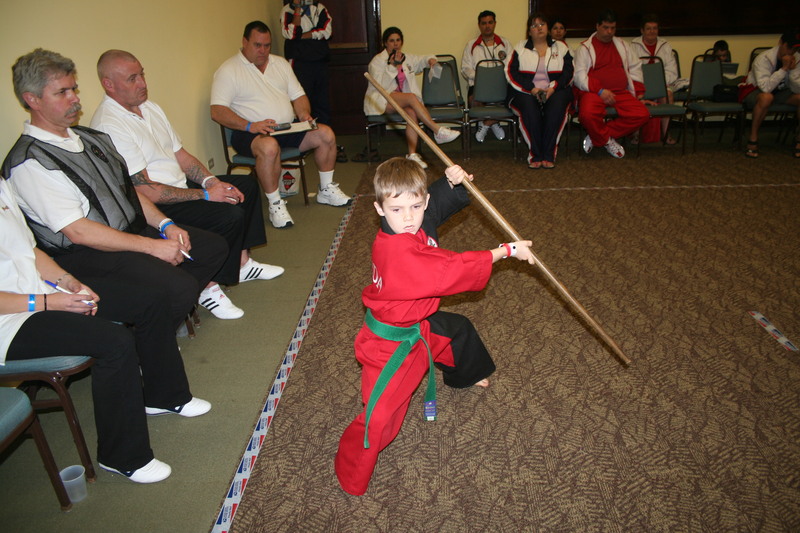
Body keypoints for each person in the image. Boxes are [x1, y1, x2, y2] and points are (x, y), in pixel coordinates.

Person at [334, 158, 535, 496]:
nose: (409, 218)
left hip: (418, 322)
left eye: (416, 206)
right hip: (390, 345)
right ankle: (352, 473)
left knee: (456, 330)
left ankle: (466, 374)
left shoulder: (406, 224)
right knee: (380, 416)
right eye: (397, 209)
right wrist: (507, 250)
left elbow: (433, 211)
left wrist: (452, 183)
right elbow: (453, 268)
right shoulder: (399, 253)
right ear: (379, 209)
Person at [0, 176, 210, 484]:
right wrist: (47, 302)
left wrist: (67, 282)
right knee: (115, 342)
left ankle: (164, 397)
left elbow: (30, 252)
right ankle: (122, 457)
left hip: (41, 292)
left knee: (150, 301)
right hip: (10, 321)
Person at [2, 49, 228, 330]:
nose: (74, 98)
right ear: (32, 100)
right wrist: (153, 247)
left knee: (212, 248)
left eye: (74, 89)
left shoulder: (91, 138)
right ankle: (144, 332)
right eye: (62, 92)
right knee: (178, 287)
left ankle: (159, 320)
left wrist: (166, 225)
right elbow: (79, 232)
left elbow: (128, 191)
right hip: (87, 253)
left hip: (129, 232)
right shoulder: (30, 162)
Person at [91, 50, 283, 320]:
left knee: (244, 187)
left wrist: (212, 182)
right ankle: (206, 286)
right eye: (132, 79)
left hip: (179, 185)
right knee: (229, 214)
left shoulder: (150, 108)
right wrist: (205, 194)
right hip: (154, 204)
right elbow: (145, 191)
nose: (142, 83)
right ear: (108, 84)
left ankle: (242, 264)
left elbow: (181, 155)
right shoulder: (109, 124)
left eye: (142, 74)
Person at [210, 20, 351, 230]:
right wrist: (250, 125)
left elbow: (299, 96)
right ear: (244, 42)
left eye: (267, 45)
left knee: (325, 134)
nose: (263, 51)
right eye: (257, 45)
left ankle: (326, 189)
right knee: (269, 147)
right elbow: (217, 111)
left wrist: (303, 114)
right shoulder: (229, 70)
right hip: (249, 133)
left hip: (285, 128)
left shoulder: (281, 64)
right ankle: (275, 203)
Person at [364, 26, 462, 169]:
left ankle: (412, 154)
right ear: (385, 43)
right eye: (391, 41)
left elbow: (424, 59)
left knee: (411, 112)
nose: (395, 44)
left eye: (398, 40)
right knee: (411, 97)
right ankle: (436, 130)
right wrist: (392, 66)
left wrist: (431, 60)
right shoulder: (377, 61)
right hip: (381, 99)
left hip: (400, 99)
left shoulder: (406, 58)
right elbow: (380, 86)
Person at [573, 9, 650, 159]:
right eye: (605, 27)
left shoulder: (623, 45)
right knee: (586, 115)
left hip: (620, 92)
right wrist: (600, 91)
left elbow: (635, 67)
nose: (609, 32)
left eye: (612, 28)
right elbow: (579, 77)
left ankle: (597, 136)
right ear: (597, 26)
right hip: (594, 92)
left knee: (642, 114)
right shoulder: (585, 48)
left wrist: (639, 92)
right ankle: (607, 141)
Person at [506, 13, 573, 169]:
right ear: (529, 31)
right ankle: (536, 155)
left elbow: (569, 73)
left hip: (555, 90)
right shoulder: (520, 48)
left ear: (547, 28)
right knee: (530, 109)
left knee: (556, 108)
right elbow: (510, 72)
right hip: (526, 91)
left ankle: (548, 155)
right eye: (534, 26)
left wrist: (553, 88)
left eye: (542, 24)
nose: (539, 28)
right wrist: (532, 89)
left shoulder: (561, 48)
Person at [739, 30, 800, 159]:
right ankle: (753, 138)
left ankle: (799, 139)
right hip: (755, 90)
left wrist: (792, 72)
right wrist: (784, 69)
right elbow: (766, 88)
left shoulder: (797, 58)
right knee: (767, 98)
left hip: (781, 91)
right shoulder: (763, 58)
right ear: (781, 43)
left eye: (795, 49)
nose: (791, 52)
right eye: (789, 48)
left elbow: (796, 89)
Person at [461, 10, 512, 142]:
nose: (487, 26)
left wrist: (497, 79)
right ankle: (493, 123)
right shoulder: (471, 45)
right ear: (479, 25)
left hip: (500, 86)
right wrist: (482, 78)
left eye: (490, 22)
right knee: (473, 99)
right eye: (484, 23)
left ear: (495, 23)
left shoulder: (504, 43)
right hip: (479, 85)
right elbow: (465, 69)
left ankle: (486, 123)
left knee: (513, 99)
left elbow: (511, 66)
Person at [630, 13, 679, 144]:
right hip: (641, 85)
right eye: (648, 28)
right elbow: (631, 70)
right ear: (642, 30)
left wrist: (658, 84)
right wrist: (645, 84)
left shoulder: (665, 46)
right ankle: (636, 134)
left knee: (668, 95)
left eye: (655, 28)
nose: (652, 32)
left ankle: (666, 134)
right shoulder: (633, 46)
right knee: (635, 96)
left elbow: (672, 71)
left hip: (662, 85)